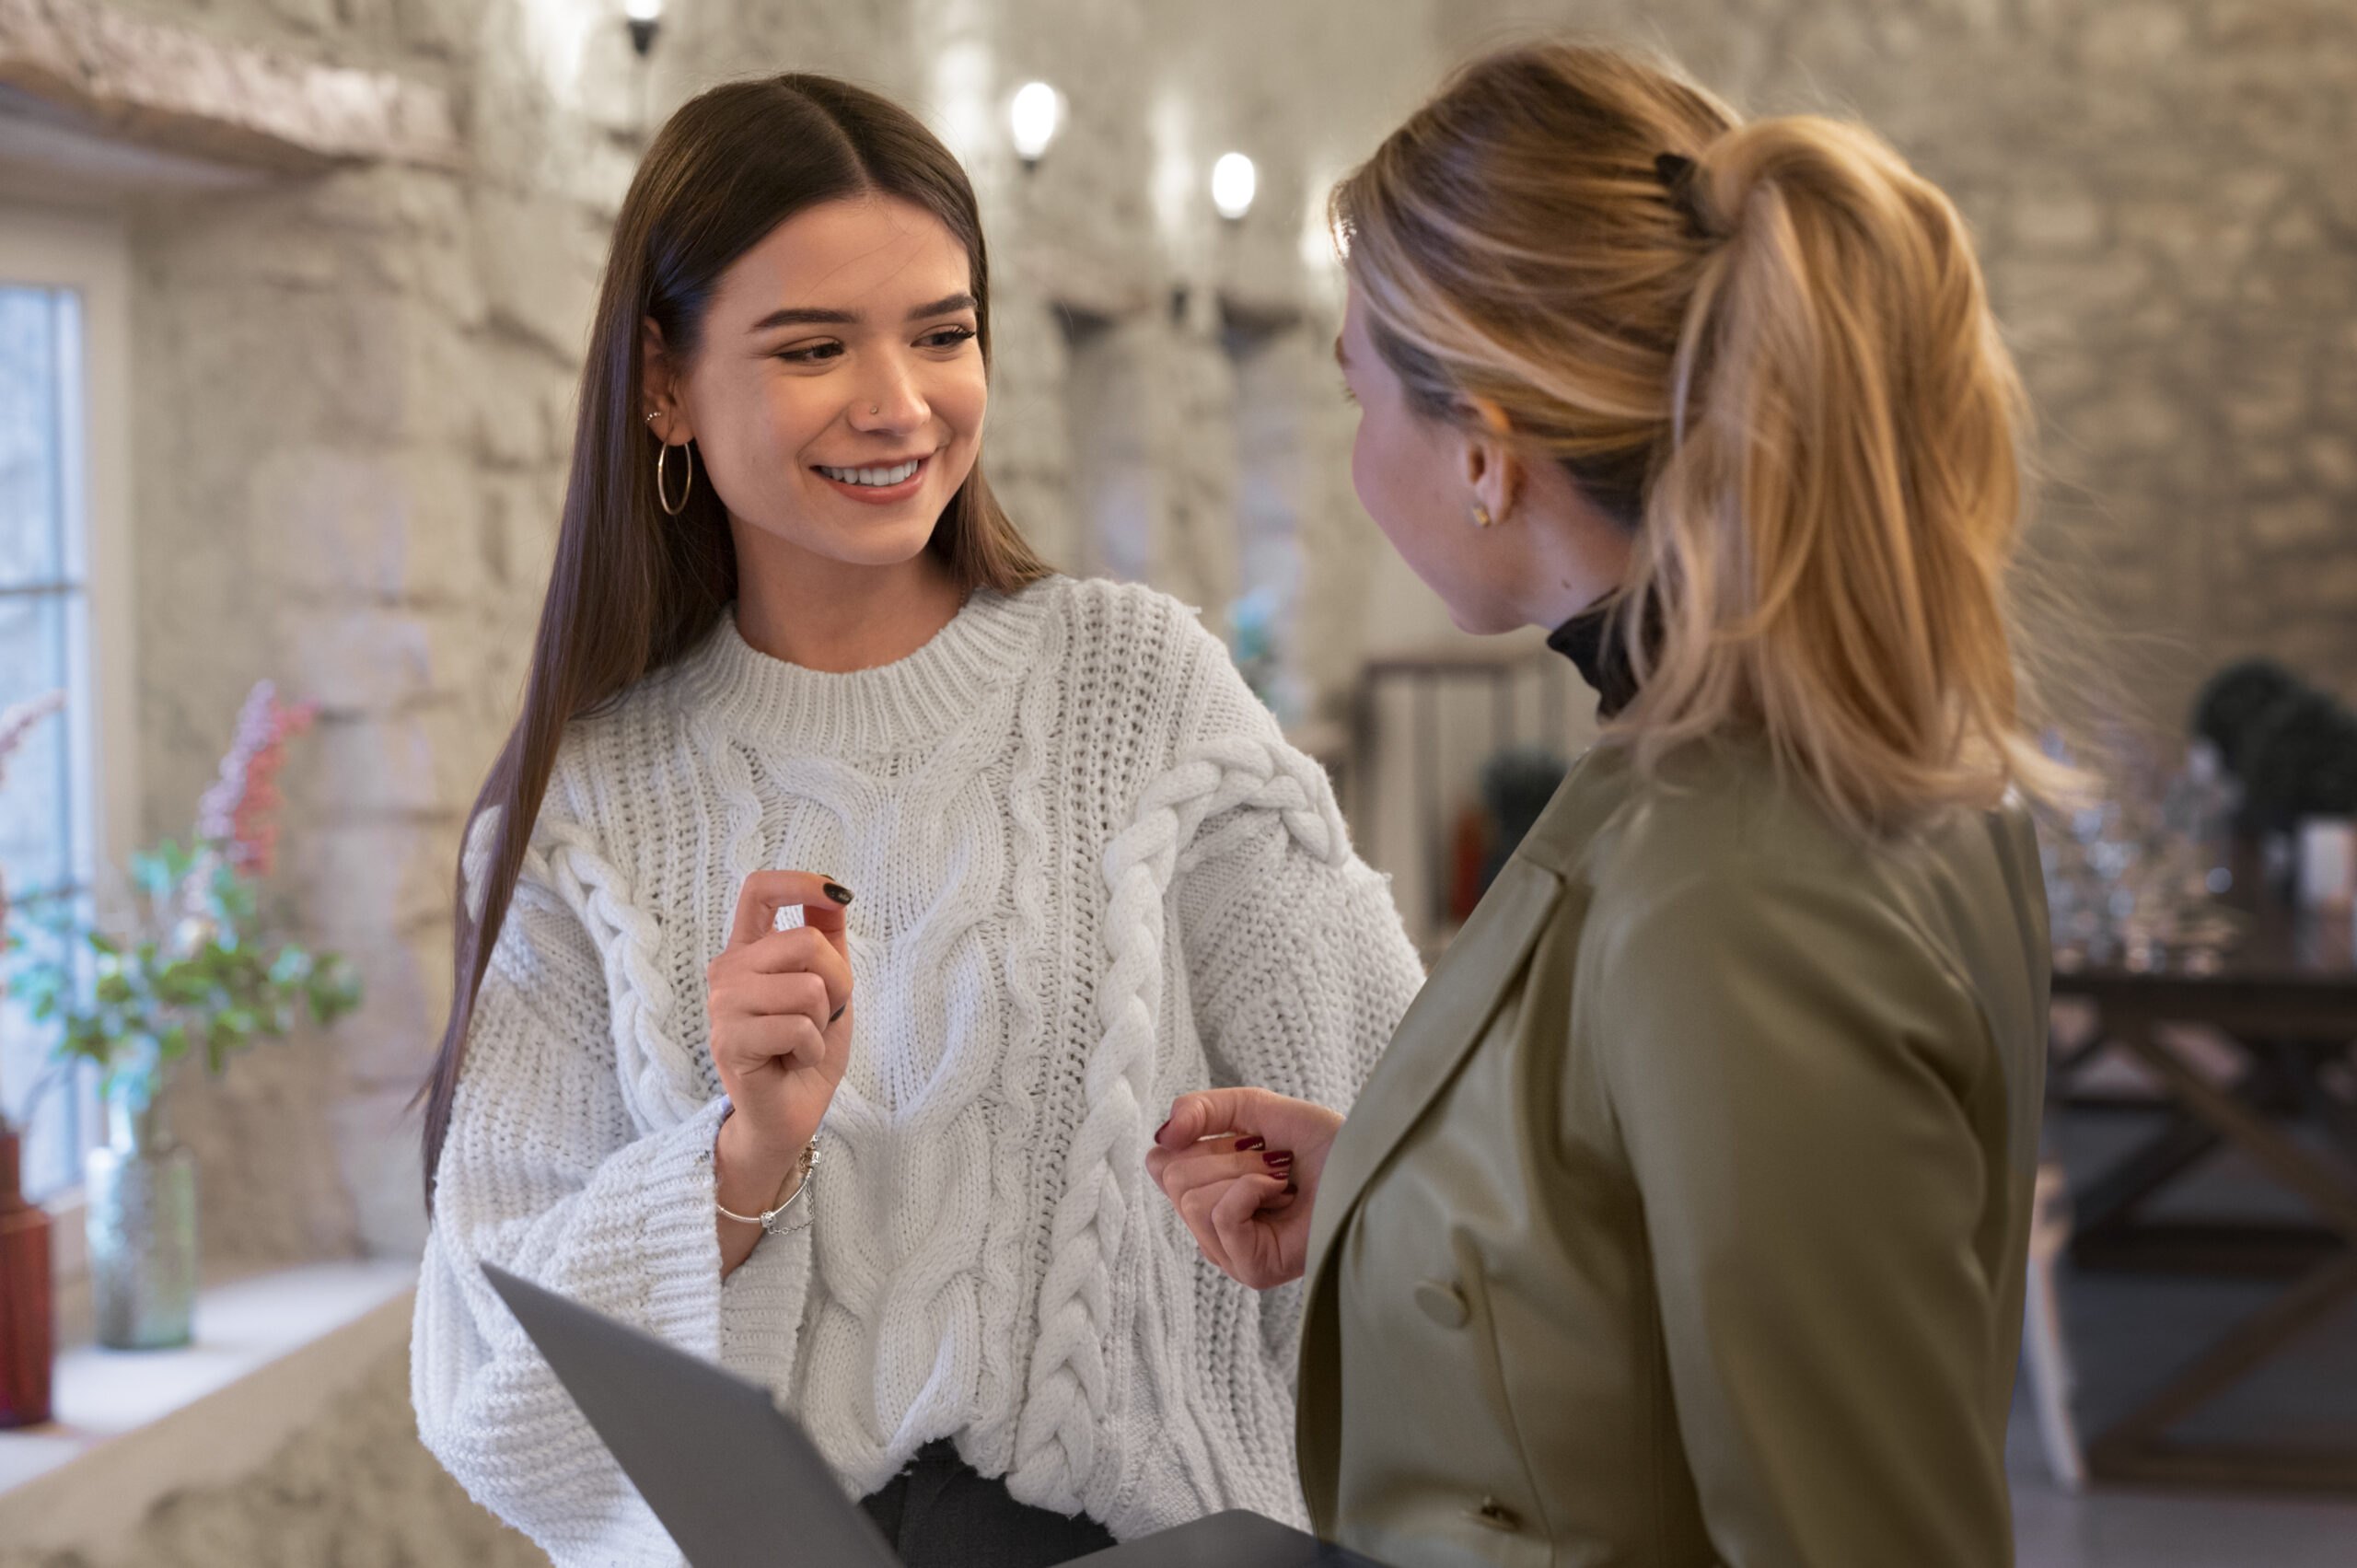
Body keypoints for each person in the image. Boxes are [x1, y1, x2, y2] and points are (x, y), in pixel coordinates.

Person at [410, 75, 1424, 1568]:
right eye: (813, 347)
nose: (898, 402)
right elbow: (488, 1384)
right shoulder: (587, 809)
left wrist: (1298, 1179)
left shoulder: (1140, 694)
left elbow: (1412, 1142)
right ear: (663, 382)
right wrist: (739, 1164)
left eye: (943, 334)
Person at [1149, 41, 2061, 1568]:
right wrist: (1402, 1179)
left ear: (1487, 452)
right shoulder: (1755, 770)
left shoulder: (1745, 882)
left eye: (1358, 394)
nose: (1360, 456)